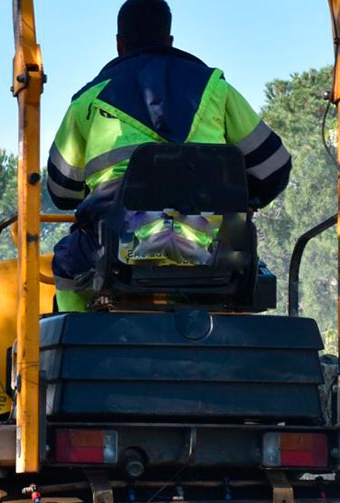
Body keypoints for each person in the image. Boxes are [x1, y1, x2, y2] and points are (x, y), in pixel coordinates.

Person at [47, 0, 292, 311]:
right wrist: (240, 201)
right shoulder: (215, 89)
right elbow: (274, 168)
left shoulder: (88, 102)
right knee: (245, 265)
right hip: (210, 246)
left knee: (66, 262)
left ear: (119, 44)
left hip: (120, 248)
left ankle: (75, 345)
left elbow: (62, 192)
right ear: (169, 41)